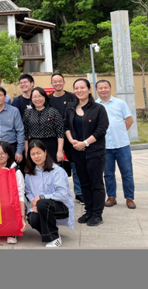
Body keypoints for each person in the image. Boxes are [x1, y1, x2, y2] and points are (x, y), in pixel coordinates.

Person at [64, 78, 109, 227]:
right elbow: (66, 126)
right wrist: (73, 141)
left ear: (89, 90)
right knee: (84, 183)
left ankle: (97, 213)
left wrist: (85, 143)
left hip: (95, 152)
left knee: (96, 183)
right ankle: (88, 210)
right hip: (77, 152)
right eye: (76, 88)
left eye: (82, 87)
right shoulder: (70, 108)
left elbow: (101, 130)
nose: (79, 91)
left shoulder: (98, 109)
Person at [24, 140, 74, 248]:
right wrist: (34, 203)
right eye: (33, 154)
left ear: (45, 152)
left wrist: (40, 198)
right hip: (41, 206)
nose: (36, 156)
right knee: (32, 218)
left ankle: (54, 238)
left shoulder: (57, 171)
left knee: (42, 203)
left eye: (39, 153)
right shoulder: (29, 173)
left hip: (61, 207)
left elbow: (63, 195)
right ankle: (52, 232)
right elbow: (28, 192)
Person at [96, 80, 137, 209]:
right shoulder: (95, 105)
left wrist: (120, 132)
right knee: (108, 174)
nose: (103, 90)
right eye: (100, 88)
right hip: (105, 146)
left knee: (127, 173)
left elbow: (129, 120)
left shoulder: (120, 103)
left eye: (105, 87)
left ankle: (129, 198)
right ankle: (111, 197)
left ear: (110, 88)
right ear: (96, 90)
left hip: (122, 145)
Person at [48, 73, 83, 204]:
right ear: (51, 84)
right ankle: (56, 193)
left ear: (64, 82)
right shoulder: (48, 99)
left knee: (75, 165)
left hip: (71, 136)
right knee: (54, 166)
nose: (57, 83)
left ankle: (79, 192)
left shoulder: (72, 97)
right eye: (55, 81)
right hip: (53, 137)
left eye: (60, 81)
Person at [0, 141, 26, 243]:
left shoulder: (16, 172)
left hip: (9, 203)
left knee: (7, 204)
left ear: (8, 155)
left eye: (3, 153)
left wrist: (22, 218)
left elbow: (20, 195)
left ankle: (11, 231)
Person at [23, 87, 65, 164]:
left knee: (52, 168)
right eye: (34, 97)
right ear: (31, 99)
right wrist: (26, 151)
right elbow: (25, 134)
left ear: (45, 97)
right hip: (34, 146)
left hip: (51, 145)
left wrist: (59, 151)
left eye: (40, 96)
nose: (37, 99)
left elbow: (60, 132)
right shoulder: (27, 113)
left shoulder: (53, 112)